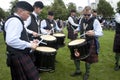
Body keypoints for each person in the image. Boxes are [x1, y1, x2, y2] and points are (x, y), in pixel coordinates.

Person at [3, 1, 40, 80]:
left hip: (19, 54)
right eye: (28, 13)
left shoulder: (17, 20)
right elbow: (11, 40)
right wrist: (30, 45)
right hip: (18, 55)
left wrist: (30, 42)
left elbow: (19, 38)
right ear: (20, 11)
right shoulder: (15, 21)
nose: (28, 16)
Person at [71, 6, 103, 80]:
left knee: (88, 59)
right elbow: (80, 27)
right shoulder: (82, 19)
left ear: (91, 13)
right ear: (83, 13)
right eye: (85, 14)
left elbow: (100, 32)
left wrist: (94, 33)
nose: (86, 16)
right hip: (81, 41)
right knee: (76, 55)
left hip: (90, 41)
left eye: (88, 15)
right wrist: (77, 30)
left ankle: (87, 73)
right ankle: (78, 70)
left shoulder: (95, 20)